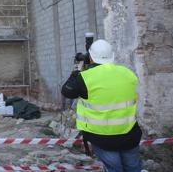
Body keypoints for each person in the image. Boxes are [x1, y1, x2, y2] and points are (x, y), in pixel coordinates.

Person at [61, 39, 142, 172]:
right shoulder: (128, 73)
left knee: (114, 169)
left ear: (91, 57)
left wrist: (77, 69)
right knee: (133, 168)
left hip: (103, 138)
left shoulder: (85, 78)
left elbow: (67, 91)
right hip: (130, 134)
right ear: (112, 56)